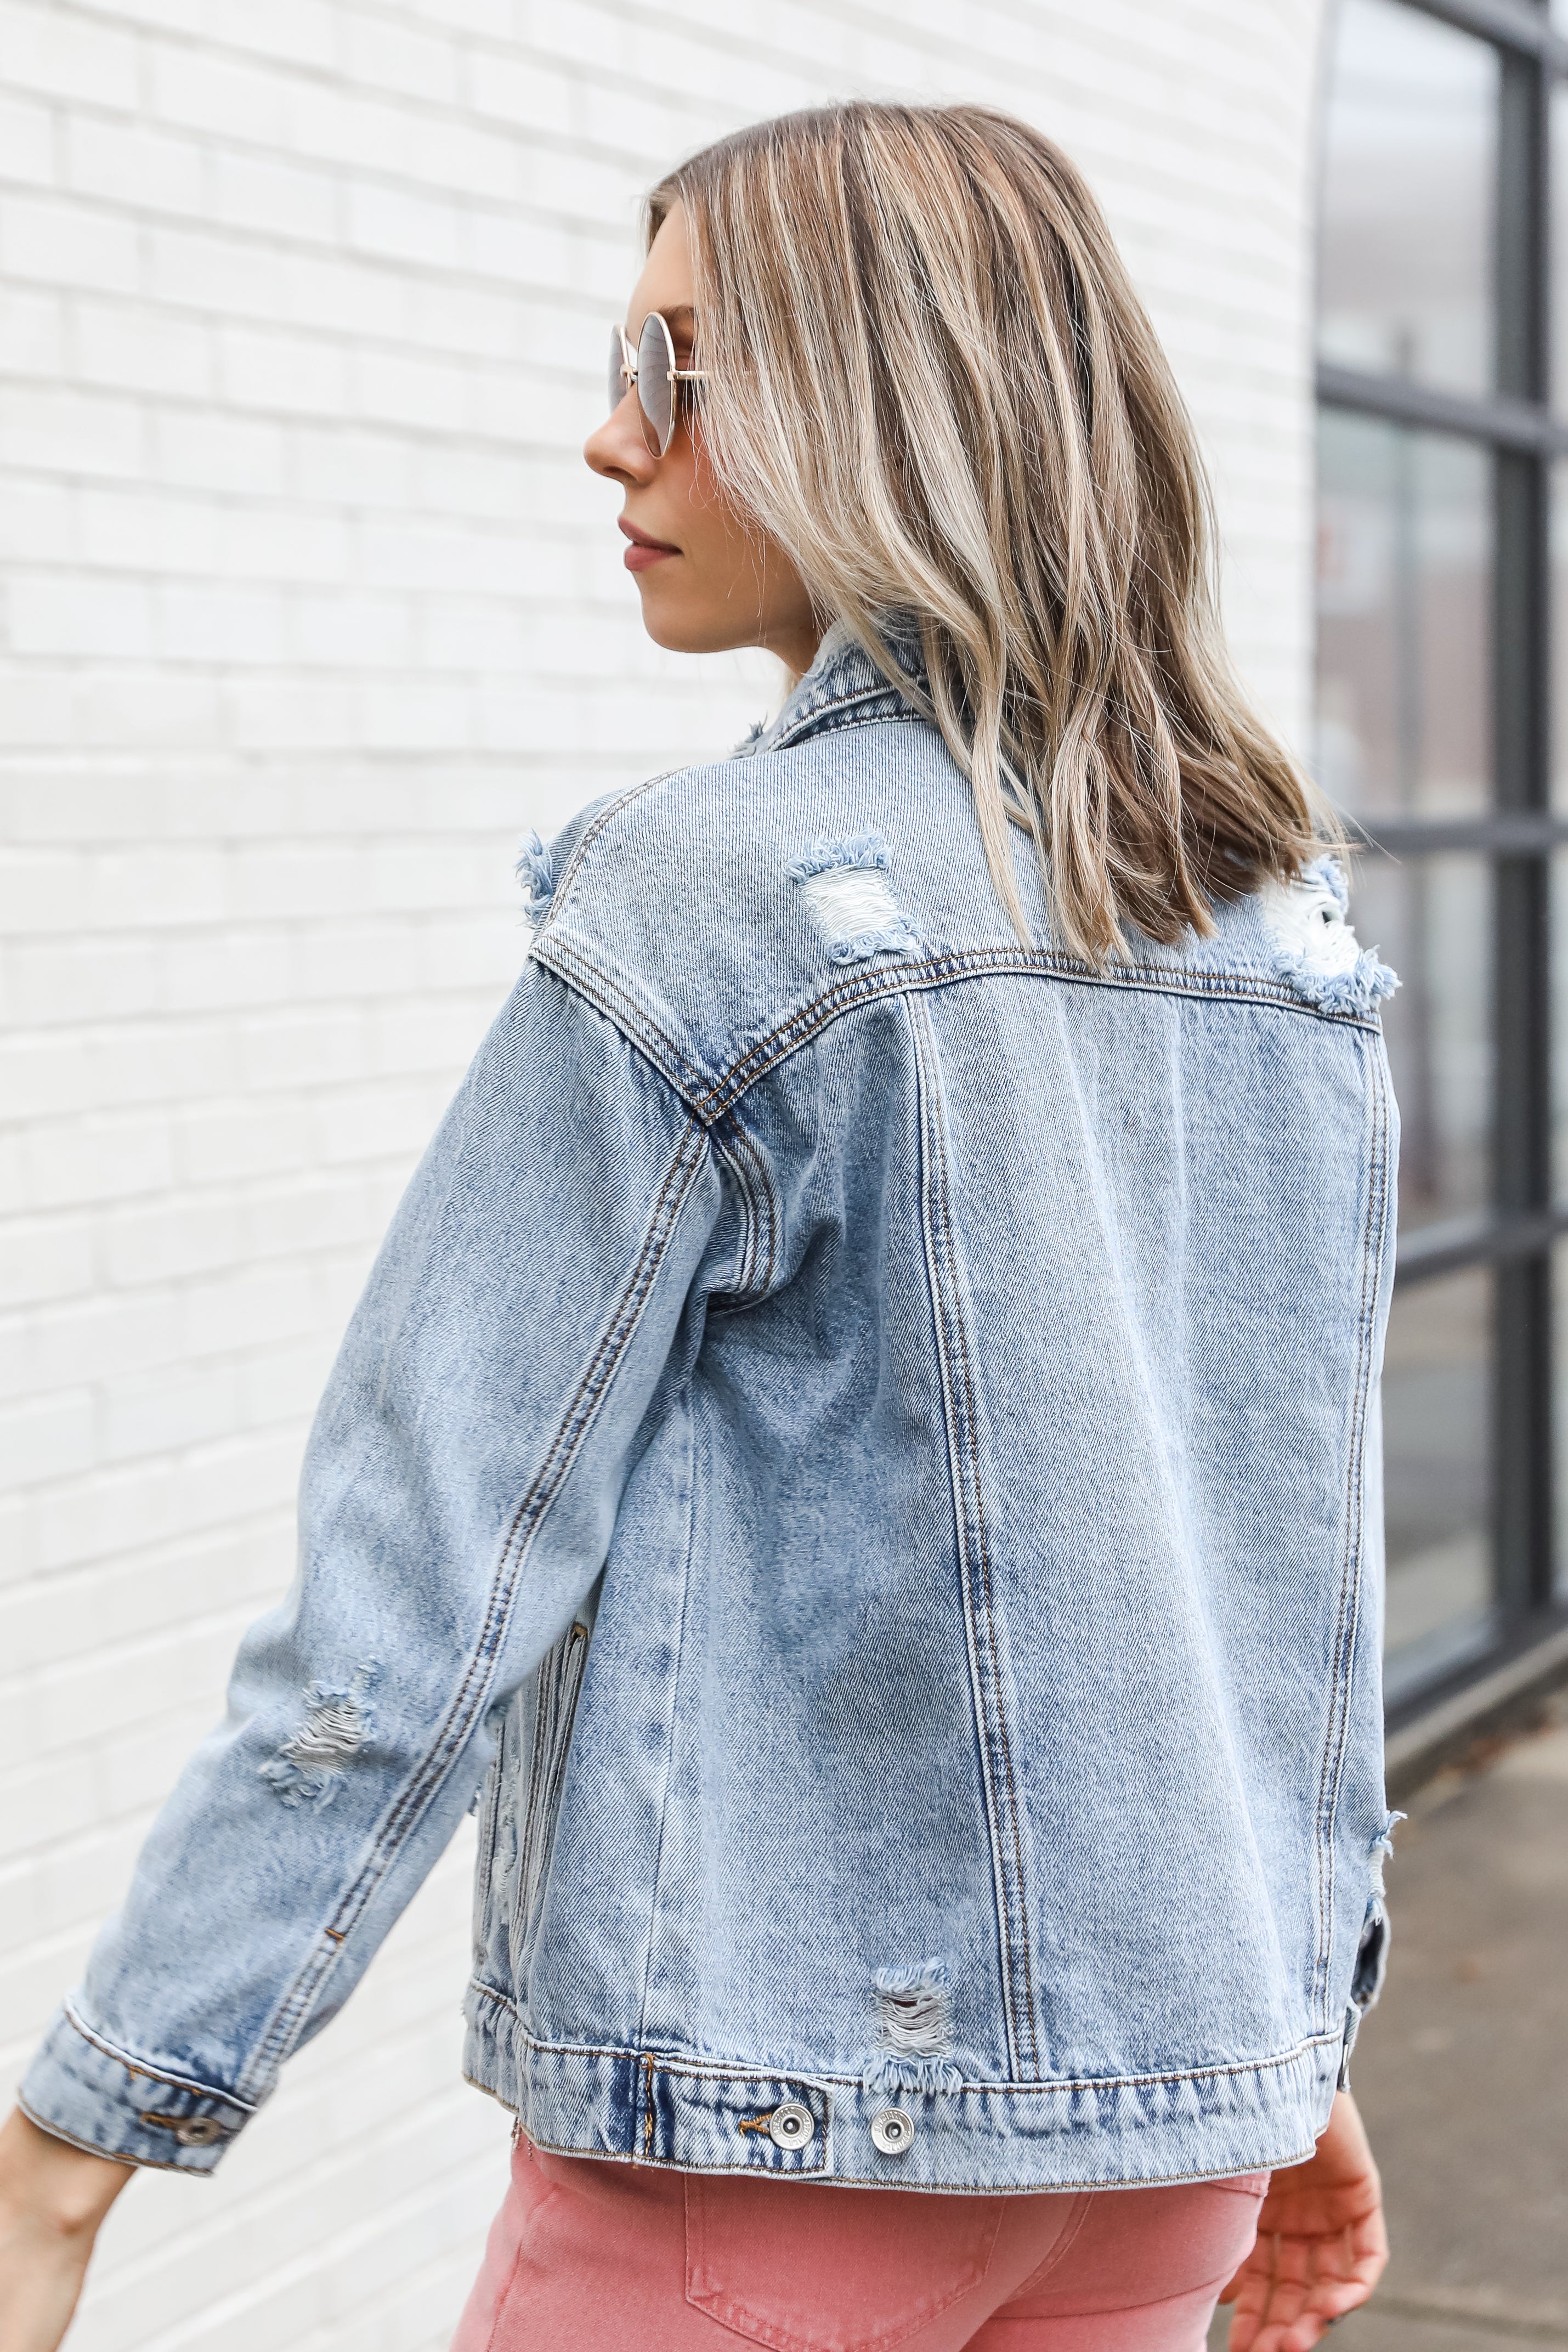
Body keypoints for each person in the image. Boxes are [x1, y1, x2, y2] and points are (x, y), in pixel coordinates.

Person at [0, 102, 1396, 2352]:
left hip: (767, 2166)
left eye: (671, 375)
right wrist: (1263, 2040)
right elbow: (1254, 1564)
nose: (603, 441)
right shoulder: (1268, 914)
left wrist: (81, 2139)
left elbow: (425, 1581)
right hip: (1159, 2177)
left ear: (875, 404)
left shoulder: (711, 899)